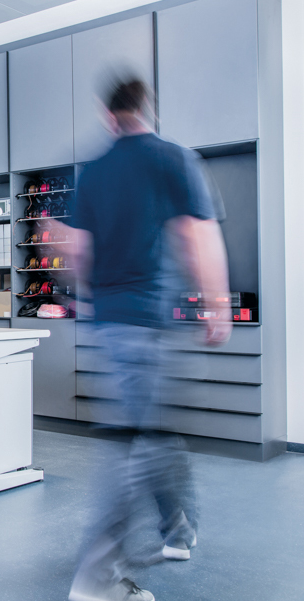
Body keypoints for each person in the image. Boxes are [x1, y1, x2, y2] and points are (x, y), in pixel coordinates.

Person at [64, 78, 232, 601]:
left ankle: (177, 529)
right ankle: (97, 579)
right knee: (132, 443)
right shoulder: (173, 159)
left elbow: (75, 254)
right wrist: (217, 304)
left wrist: (94, 303)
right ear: (146, 109)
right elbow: (196, 236)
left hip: (111, 320)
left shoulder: (92, 171)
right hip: (150, 317)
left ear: (107, 113)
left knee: (151, 429)